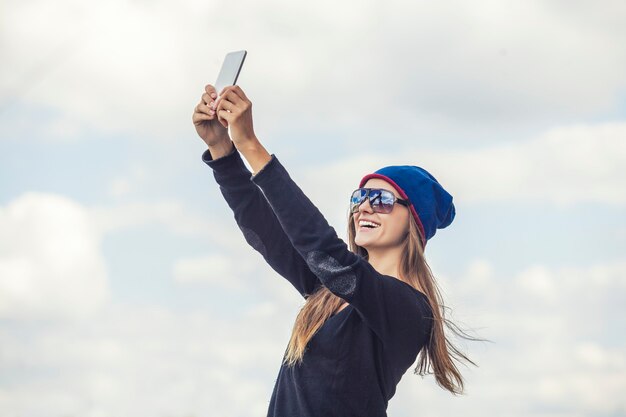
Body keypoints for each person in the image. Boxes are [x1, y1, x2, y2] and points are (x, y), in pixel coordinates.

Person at [192, 84, 479, 416]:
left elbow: (322, 248)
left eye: (382, 200)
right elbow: (267, 232)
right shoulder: (330, 292)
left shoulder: (409, 309)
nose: (364, 208)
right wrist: (222, 150)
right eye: (359, 198)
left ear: (414, 223)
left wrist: (250, 145)